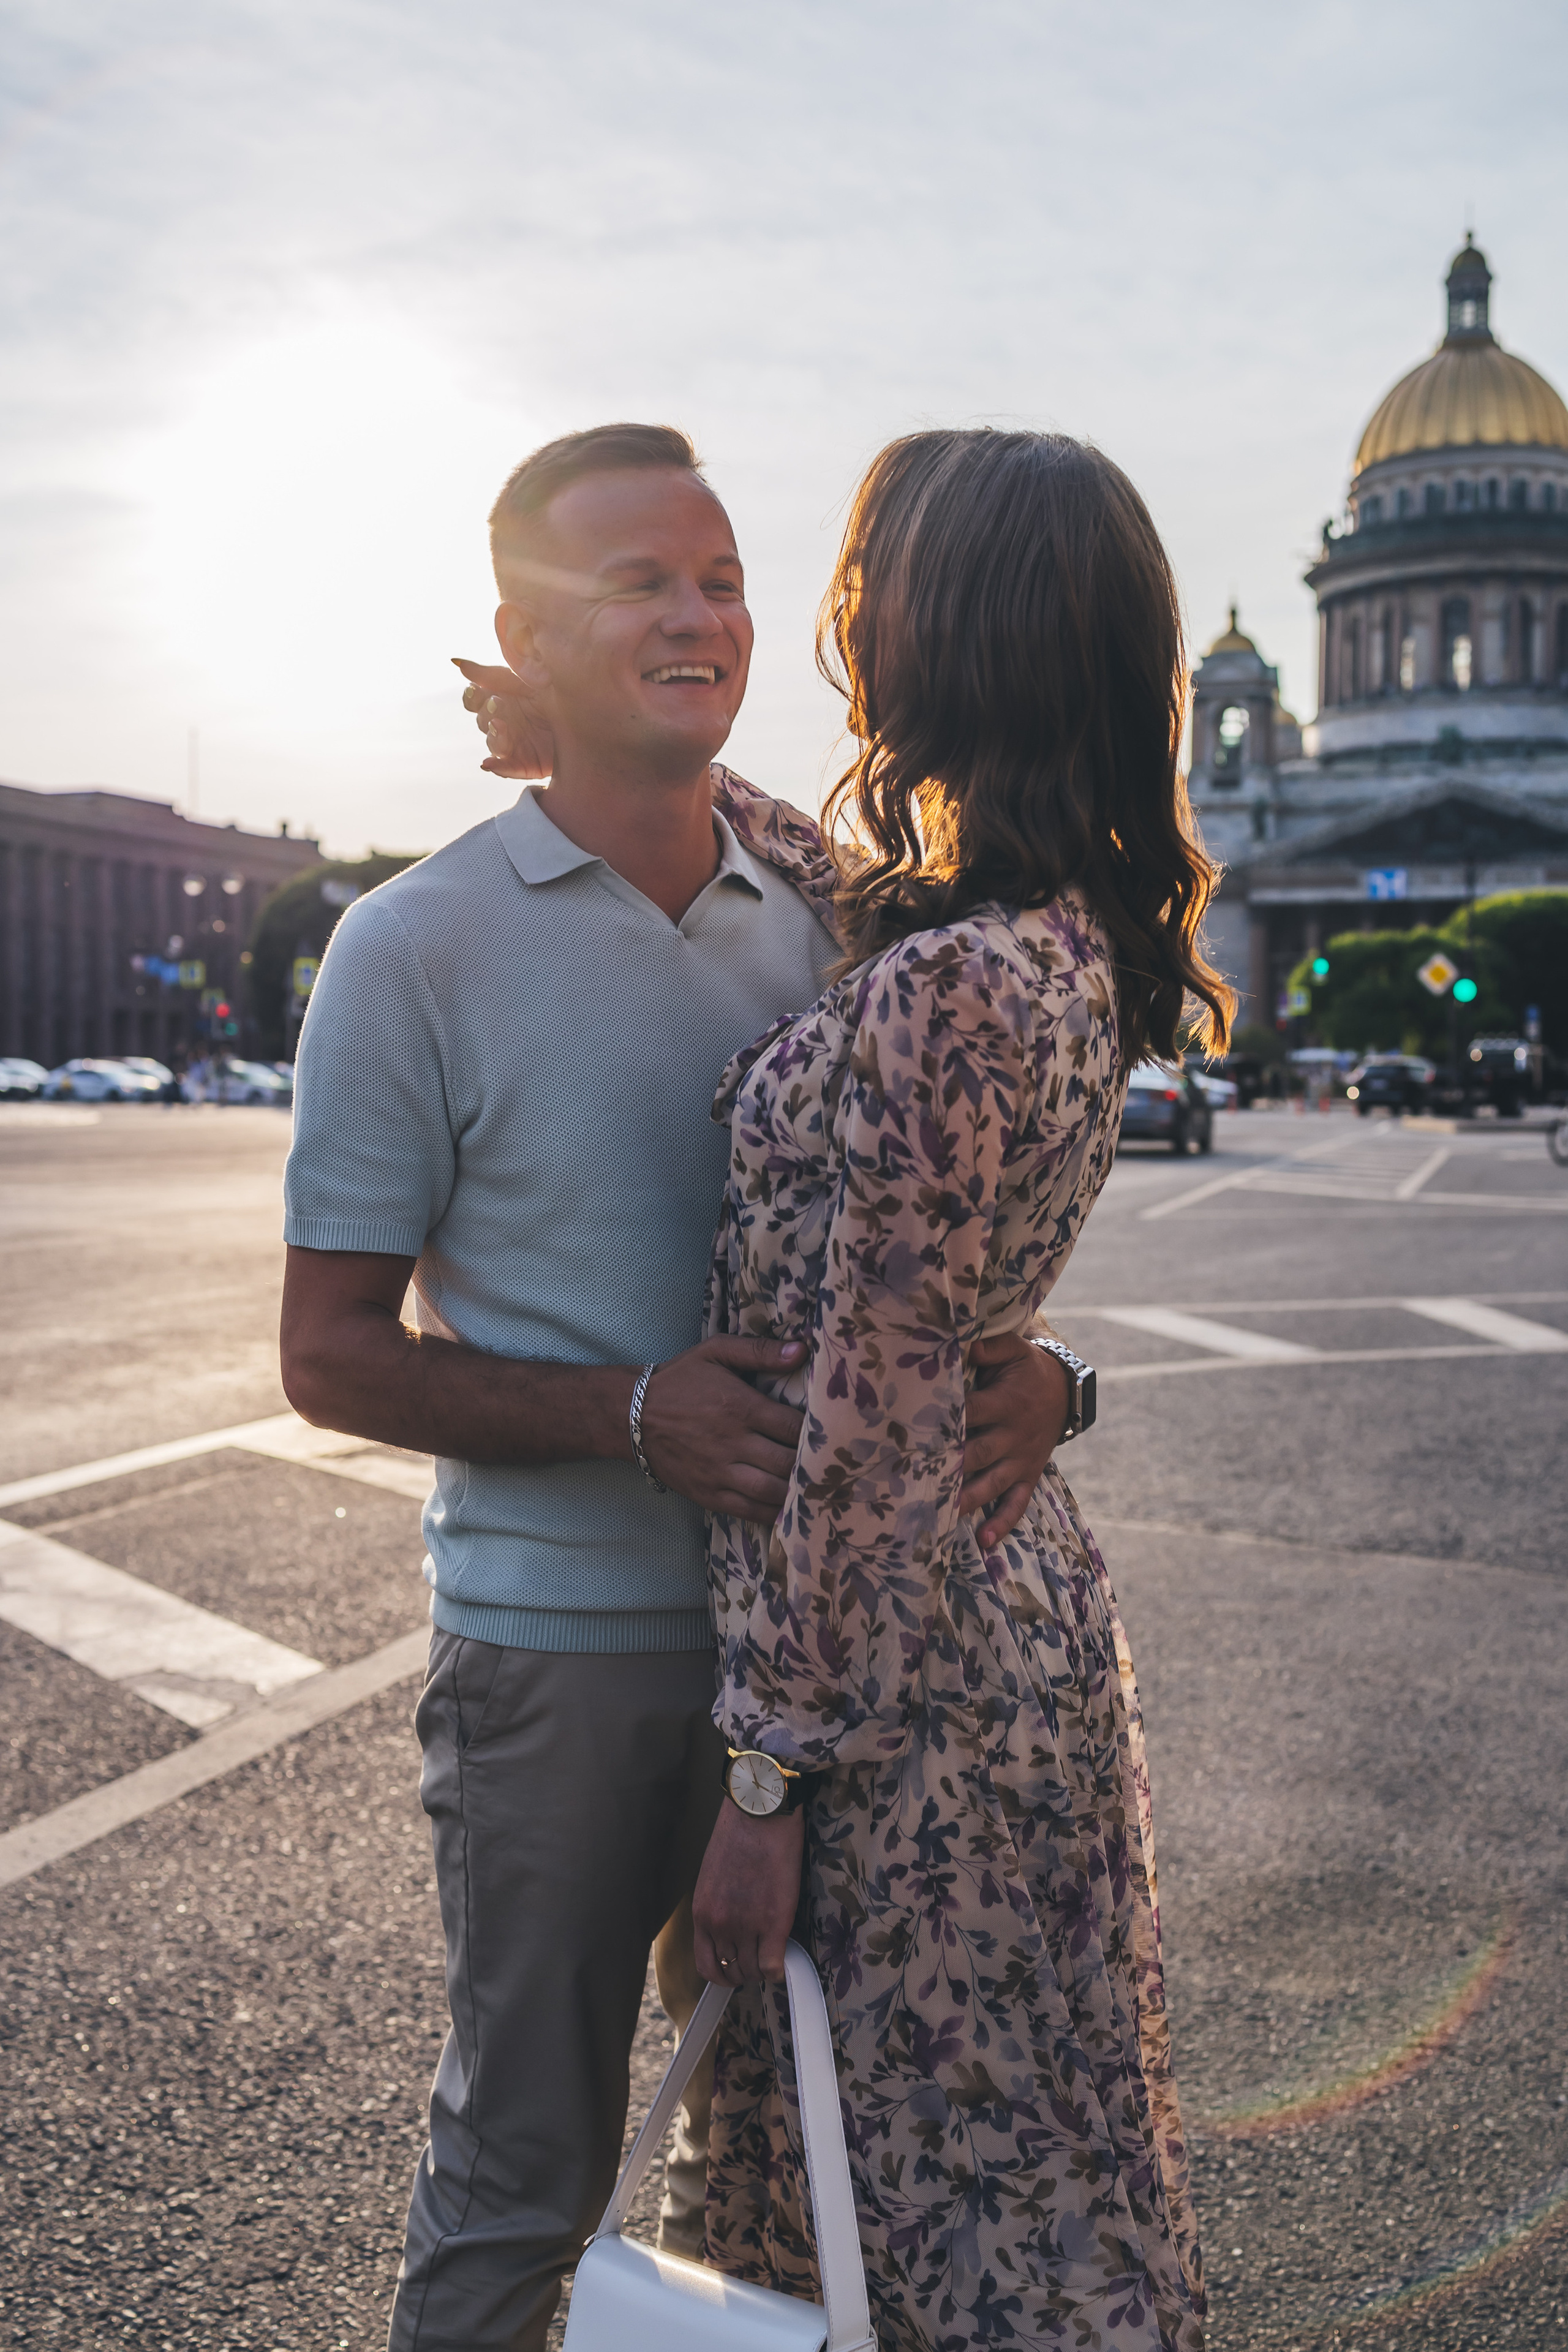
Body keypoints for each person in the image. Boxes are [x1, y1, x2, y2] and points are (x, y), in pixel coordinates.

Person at [279, 422, 1070, 2351]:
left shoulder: (835, 922)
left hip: (830, 1674)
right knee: (527, 2173)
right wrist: (633, 1414)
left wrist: (1052, 1376)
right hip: (561, 1663)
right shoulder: (407, 947)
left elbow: (935, 1247)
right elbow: (327, 1354)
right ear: (524, 633)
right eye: (638, 581)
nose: (701, 613)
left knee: (804, 2179)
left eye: (720, 576)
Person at [684, 429, 1228, 2350]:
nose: (850, 617)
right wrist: (671, 771)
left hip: (902, 1697)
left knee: (910, 2220)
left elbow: (872, 1420)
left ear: (952, 631)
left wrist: (764, 1777)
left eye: (876, 578)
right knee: (1017, 2184)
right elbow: (858, 890)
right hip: (1009, 1632)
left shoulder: (945, 990)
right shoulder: (1050, 946)